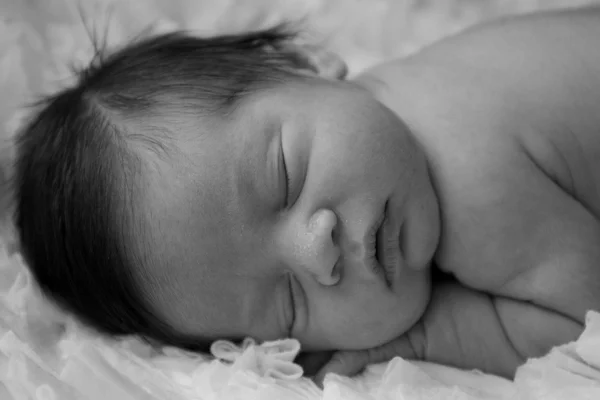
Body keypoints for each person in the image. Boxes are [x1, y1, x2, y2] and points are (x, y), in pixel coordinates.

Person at [13, 5, 600, 384]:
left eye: (286, 177)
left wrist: (425, 335)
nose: (316, 252)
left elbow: (581, 317)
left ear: (305, 61)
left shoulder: (470, 173)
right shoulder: (377, 116)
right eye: (288, 303)